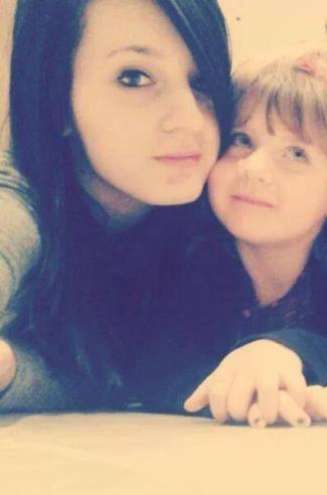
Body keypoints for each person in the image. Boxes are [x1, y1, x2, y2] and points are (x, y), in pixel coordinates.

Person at [0, 0, 233, 411]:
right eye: (134, 77)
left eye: (201, 82)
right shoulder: (19, 206)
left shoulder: (225, 204)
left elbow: (118, 374)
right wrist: (13, 373)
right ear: (57, 100)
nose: (189, 119)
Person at [150, 50, 327, 426]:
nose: (253, 168)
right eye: (242, 140)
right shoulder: (186, 248)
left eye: (296, 154)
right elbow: (157, 368)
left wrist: (287, 353)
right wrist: (265, 393)